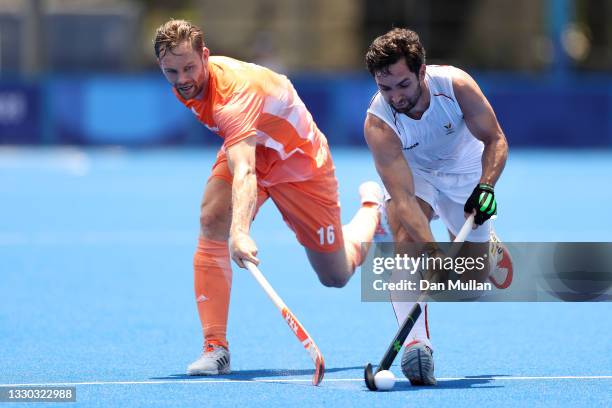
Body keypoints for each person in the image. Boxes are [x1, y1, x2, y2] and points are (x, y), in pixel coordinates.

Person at [153, 19, 383, 376]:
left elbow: (244, 172)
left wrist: (241, 231)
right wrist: (231, 225)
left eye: (188, 68)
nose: (182, 78)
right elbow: (243, 158)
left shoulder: (232, 96)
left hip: (299, 161)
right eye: (171, 71)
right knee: (212, 219)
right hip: (254, 145)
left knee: (335, 275)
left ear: (206, 57)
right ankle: (216, 348)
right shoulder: (185, 85)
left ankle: (373, 210)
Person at [363, 28, 512, 385]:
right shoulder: (379, 124)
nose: (395, 96)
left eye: (402, 85)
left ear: (421, 71)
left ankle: (487, 248)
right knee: (407, 243)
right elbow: (402, 198)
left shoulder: (456, 86)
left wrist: (486, 186)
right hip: (417, 176)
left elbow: (495, 139)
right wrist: (430, 250)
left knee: (470, 285)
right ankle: (417, 345)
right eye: (385, 88)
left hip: (465, 171)